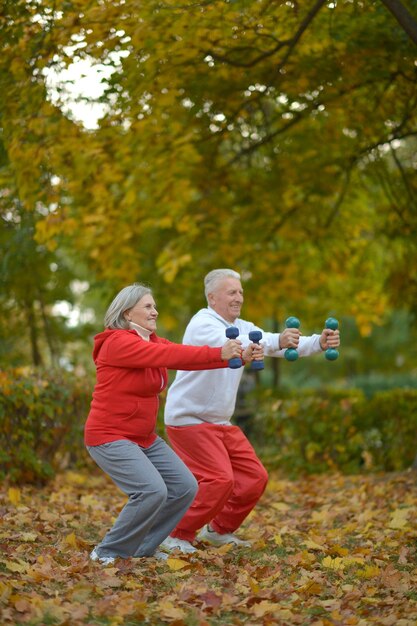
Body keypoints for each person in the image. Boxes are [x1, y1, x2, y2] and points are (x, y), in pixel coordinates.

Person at [162, 268, 340, 554]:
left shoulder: (244, 326)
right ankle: (175, 534)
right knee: (220, 480)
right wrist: (275, 341)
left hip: (219, 421)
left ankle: (219, 530)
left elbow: (274, 342)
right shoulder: (202, 323)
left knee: (254, 477)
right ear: (212, 296)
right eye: (231, 292)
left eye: (241, 292)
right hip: (189, 419)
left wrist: (318, 342)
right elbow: (237, 344)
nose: (238, 297)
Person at [84, 282, 258, 565]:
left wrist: (236, 356)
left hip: (143, 437)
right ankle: (107, 552)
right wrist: (219, 353)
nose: (155, 312)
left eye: (154, 306)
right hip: (109, 435)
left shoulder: (151, 341)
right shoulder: (117, 343)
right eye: (148, 307)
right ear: (128, 313)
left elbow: (184, 353)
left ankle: (143, 548)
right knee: (152, 490)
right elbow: (172, 357)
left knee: (185, 486)